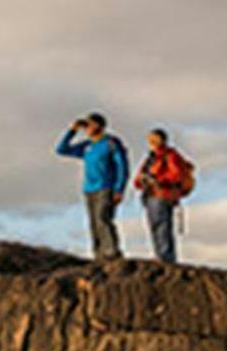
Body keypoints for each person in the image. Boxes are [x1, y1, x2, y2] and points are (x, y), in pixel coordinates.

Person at [55, 112, 129, 259]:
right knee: (94, 222)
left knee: (103, 218)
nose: (86, 128)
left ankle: (112, 251)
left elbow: (122, 167)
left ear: (98, 125)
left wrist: (119, 189)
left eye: (88, 125)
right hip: (89, 188)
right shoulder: (87, 146)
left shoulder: (111, 143)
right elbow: (61, 149)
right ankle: (99, 253)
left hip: (106, 186)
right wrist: (72, 130)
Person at [134, 127, 196, 263]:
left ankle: (166, 257)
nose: (151, 142)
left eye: (154, 139)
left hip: (163, 194)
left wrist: (158, 180)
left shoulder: (170, 155)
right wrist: (141, 180)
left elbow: (176, 174)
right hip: (150, 194)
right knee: (155, 225)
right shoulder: (151, 157)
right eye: (150, 139)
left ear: (162, 140)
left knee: (162, 225)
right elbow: (138, 178)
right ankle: (160, 255)